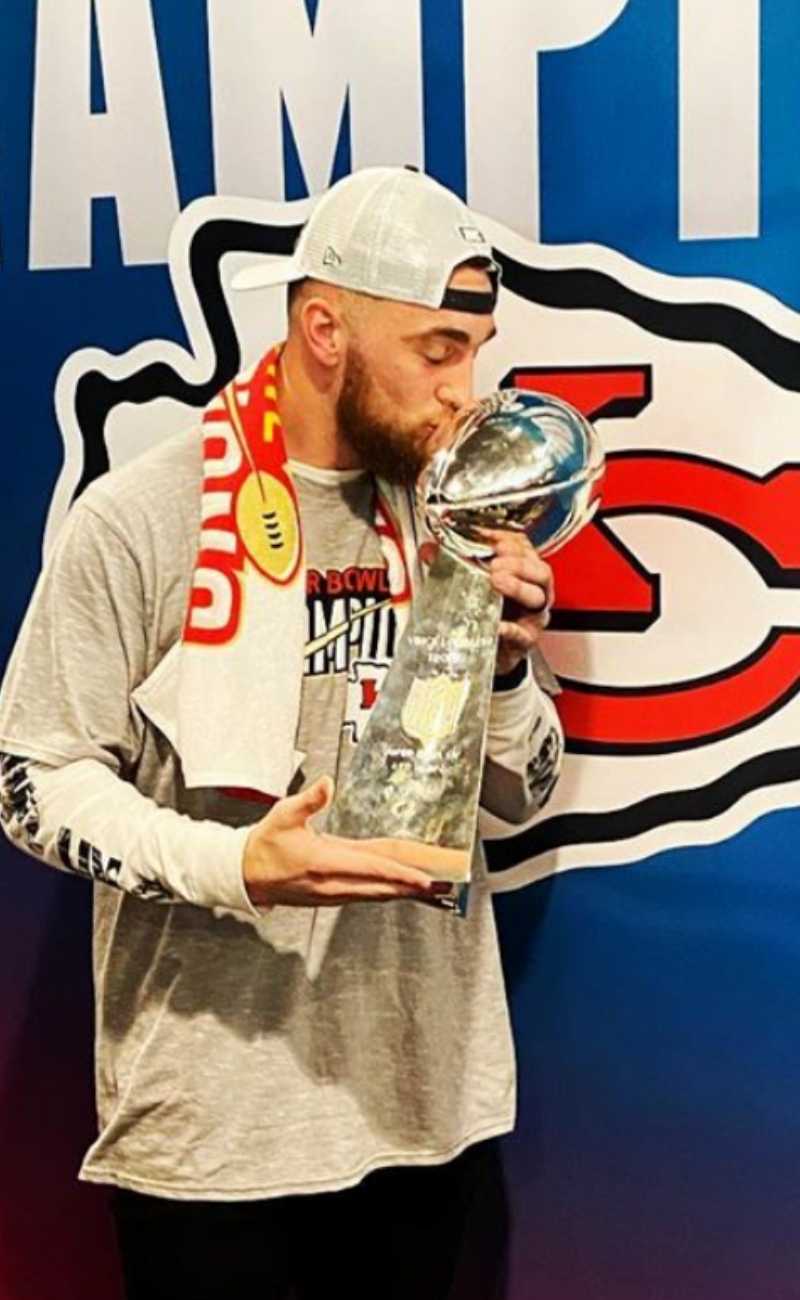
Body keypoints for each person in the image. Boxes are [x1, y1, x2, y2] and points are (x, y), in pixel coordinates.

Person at [0, 167, 563, 1299]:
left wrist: (503, 667)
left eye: (477, 350)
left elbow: (525, 788)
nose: (467, 391)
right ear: (323, 329)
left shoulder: (454, 514)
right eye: (437, 349)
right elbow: (32, 778)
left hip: (421, 1106)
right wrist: (236, 862)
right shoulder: (147, 515)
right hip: (219, 1129)